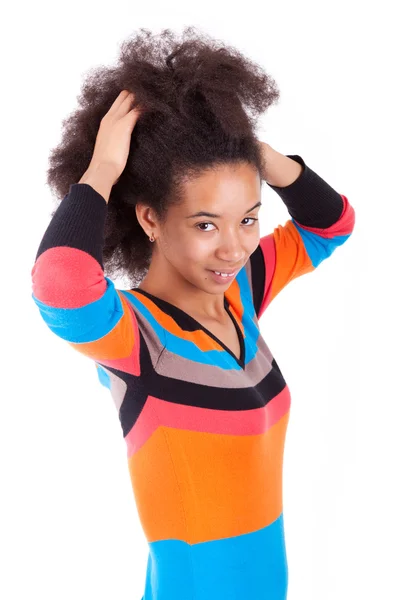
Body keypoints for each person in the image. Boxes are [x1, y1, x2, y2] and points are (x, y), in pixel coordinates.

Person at [31, 27, 355, 600]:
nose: (234, 248)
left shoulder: (242, 296)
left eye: (248, 219)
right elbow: (60, 286)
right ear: (151, 220)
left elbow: (332, 225)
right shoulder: (138, 340)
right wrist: (103, 170)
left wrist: (253, 153)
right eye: (207, 224)